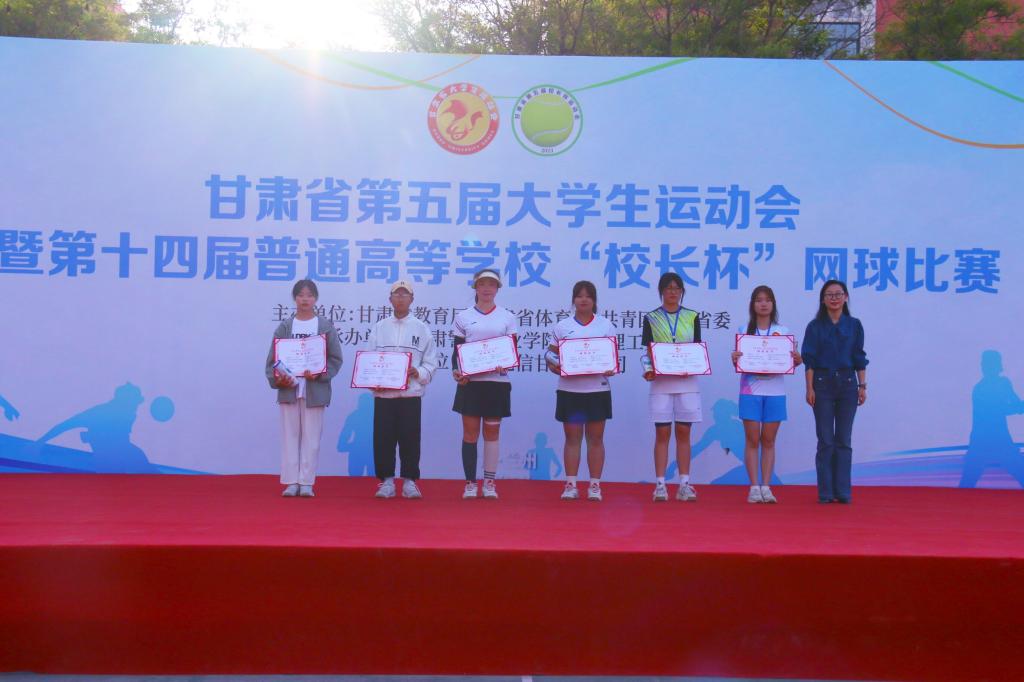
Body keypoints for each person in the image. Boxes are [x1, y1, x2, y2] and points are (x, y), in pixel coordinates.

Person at [265, 279, 343, 498]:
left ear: (315, 298)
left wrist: (319, 374)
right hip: (289, 390)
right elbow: (272, 361)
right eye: (300, 295)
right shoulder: (285, 327)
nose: (305, 299)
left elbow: (335, 359)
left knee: (312, 438)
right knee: (289, 437)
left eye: (309, 295)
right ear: (294, 298)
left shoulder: (324, 326)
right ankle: (291, 481)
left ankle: (307, 482)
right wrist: (279, 379)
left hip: (314, 390)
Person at [545, 280, 617, 502]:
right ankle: (571, 484)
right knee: (572, 438)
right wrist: (555, 365)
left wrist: (611, 367)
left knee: (596, 438)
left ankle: (594, 485)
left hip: (597, 390)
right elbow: (550, 354)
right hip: (570, 390)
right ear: (573, 299)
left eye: (588, 296)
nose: (583, 300)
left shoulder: (605, 325)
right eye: (579, 295)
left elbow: (612, 357)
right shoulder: (563, 326)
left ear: (594, 300)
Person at [366, 281, 438, 499]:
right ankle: (386, 482)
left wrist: (418, 372)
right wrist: (372, 380)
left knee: (410, 438)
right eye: (396, 294)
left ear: (412, 299)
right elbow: (369, 359)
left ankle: (409, 482)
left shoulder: (421, 328)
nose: (400, 298)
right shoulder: (379, 328)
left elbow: (431, 363)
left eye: (405, 294)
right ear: (390, 299)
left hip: (410, 394)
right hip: (384, 394)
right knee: (383, 439)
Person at [730, 285, 801, 504]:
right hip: (750, 391)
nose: (763, 304)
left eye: (768, 300)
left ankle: (766, 487)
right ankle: (754, 487)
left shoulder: (783, 331)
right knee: (752, 439)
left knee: (769, 440)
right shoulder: (745, 330)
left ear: (773, 304)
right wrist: (735, 358)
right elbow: (740, 361)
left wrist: (796, 360)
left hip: (775, 392)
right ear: (752, 304)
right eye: (759, 300)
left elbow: (790, 361)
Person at [451, 269, 518, 500]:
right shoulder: (463, 317)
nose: (487, 288)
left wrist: (505, 364)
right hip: (471, 385)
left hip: (496, 384)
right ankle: (470, 483)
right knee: (470, 434)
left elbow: (511, 351)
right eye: (482, 284)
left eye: (492, 284)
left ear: (498, 288)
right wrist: (457, 371)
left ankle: (489, 483)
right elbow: (457, 352)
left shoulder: (507, 317)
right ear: (475, 287)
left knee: (492, 433)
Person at [801, 280, 868, 504]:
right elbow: (809, 360)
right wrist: (809, 388)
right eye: (829, 295)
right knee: (825, 440)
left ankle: (843, 491)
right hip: (822, 384)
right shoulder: (815, 326)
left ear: (846, 297)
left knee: (844, 440)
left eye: (838, 294)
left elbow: (859, 357)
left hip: (848, 384)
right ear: (823, 299)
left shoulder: (854, 325)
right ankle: (826, 492)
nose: (834, 298)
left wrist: (862, 386)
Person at [641, 272, 703, 502]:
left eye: (677, 288)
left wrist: (693, 365)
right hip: (661, 384)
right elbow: (647, 352)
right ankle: (660, 484)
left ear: (682, 292)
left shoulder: (692, 316)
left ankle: (684, 484)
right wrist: (648, 369)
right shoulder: (651, 318)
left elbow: (696, 350)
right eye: (668, 288)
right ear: (661, 292)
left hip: (687, 383)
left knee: (684, 432)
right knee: (662, 433)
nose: (672, 292)